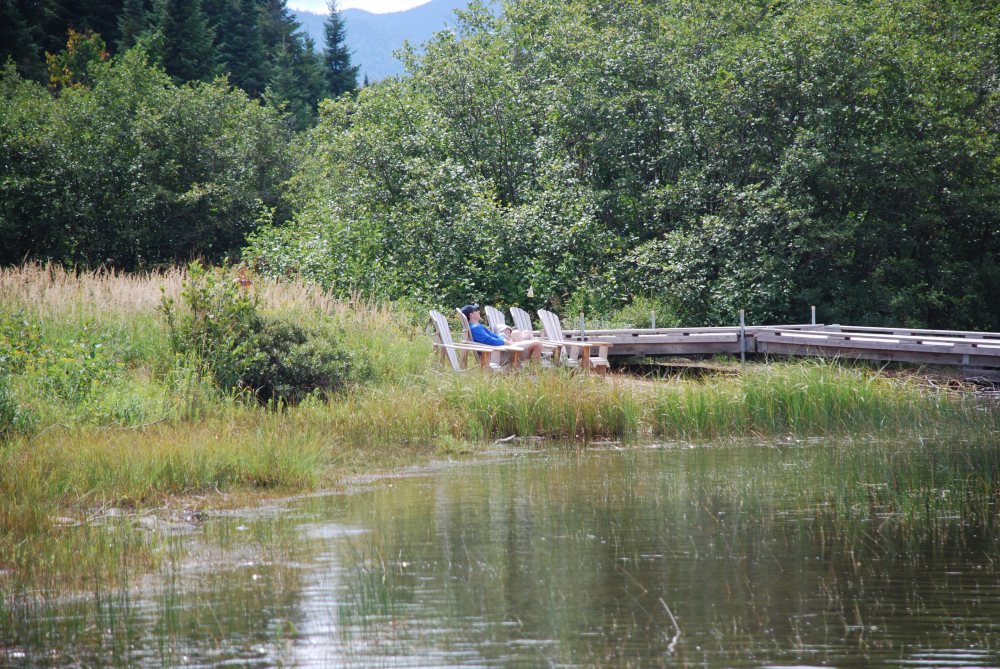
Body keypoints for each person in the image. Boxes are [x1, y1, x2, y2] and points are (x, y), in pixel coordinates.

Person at [460, 304, 542, 363]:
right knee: (537, 344)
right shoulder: (475, 328)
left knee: (522, 333)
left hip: (501, 349)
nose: (478, 311)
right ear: (471, 315)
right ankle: (534, 373)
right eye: (476, 310)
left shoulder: (477, 326)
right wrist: (506, 342)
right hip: (497, 354)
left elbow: (493, 336)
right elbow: (489, 340)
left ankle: (529, 364)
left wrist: (504, 339)